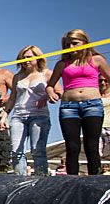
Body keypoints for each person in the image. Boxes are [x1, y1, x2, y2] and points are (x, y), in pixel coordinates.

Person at [46, 29, 110, 175]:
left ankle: (95, 179)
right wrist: (51, 92)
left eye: (75, 43)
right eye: (67, 44)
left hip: (92, 105)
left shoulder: (97, 59)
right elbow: (50, 84)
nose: (71, 47)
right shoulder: (62, 64)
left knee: (92, 146)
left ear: (84, 43)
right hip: (69, 107)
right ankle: (72, 181)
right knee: (72, 146)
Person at [0, 45, 59, 176]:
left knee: (37, 150)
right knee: (16, 150)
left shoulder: (46, 73)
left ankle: (41, 179)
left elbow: (58, 91)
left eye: (29, 57)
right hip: (19, 116)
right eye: (23, 58)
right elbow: (13, 97)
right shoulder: (17, 77)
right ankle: (21, 180)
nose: (26, 60)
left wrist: (47, 96)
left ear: (37, 58)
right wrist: (4, 116)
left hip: (39, 116)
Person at [99, 76, 110, 158]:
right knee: (96, 152)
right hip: (97, 126)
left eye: (105, 80)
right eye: (100, 80)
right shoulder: (93, 95)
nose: (103, 83)